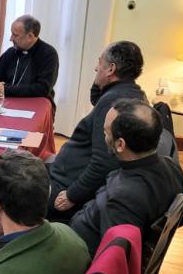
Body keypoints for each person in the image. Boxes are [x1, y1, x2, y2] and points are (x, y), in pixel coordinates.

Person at [70, 99, 183, 256]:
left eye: (105, 133)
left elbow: (110, 261)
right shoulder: (171, 166)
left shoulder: (122, 198)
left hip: (79, 257)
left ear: (120, 145)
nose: (103, 136)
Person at [48, 41, 147, 220]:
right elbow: (96, 98)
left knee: (15, 182)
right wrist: (100, 80)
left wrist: (72, 195)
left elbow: (104, 163)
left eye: (99, 63)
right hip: (70, 176)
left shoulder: (112, 103)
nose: (95, 68)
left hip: (67, 186)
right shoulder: (130, 93)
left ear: (111, 69)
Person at [0, 15, 59, 106]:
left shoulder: (48, 54)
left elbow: (42, 89)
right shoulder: (10, 52)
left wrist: (5, 89)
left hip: (35, 106)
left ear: (30, 37)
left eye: (15, 35)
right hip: (5, 103)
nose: (11, 39)